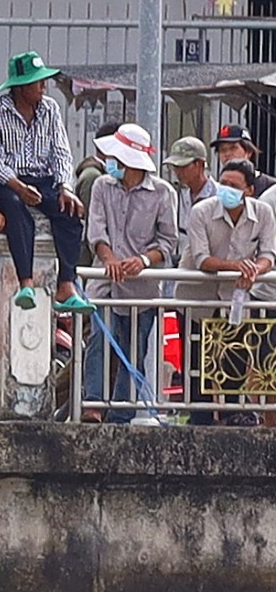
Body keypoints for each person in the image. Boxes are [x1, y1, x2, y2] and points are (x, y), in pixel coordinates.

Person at [82, 122, 179, 423]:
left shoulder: (163, 193)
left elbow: (168, 241)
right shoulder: (101, 186)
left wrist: (142, 261)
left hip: (142, 288)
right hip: (104, 283)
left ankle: (122, 411)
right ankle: (93, 402)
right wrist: (108, 257)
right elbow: (95, 229)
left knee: (134, 349)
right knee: (98, 339)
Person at [0, 51, 88, 312]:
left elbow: (61, 152)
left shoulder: (50, 108)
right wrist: (18, 186)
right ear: (21, 86)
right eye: (37, 82)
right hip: (10, 180)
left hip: (43, 179)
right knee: (15, 209)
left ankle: (66, 283)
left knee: (70, 214)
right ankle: (26, 282)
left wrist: (66, 186)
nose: (44, 87)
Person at [182, 163, 276, 423]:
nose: (226, 190)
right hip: (198, 297)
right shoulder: (202, 211)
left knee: (235, 356)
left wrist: (255, 270)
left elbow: (268, 254)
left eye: (234, 186)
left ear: (249, 190)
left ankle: (235, 416)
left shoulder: (263, 212)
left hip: (237, 297)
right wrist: (237, 267)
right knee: (197, 361)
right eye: (223, 183)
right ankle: (198, 419)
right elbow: (202, 259)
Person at [167, 135, 216, 212]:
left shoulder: (219, 196)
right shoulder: (179, 197)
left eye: (183, 166)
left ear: (200, 164)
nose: (178, 171)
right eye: (175, 166)